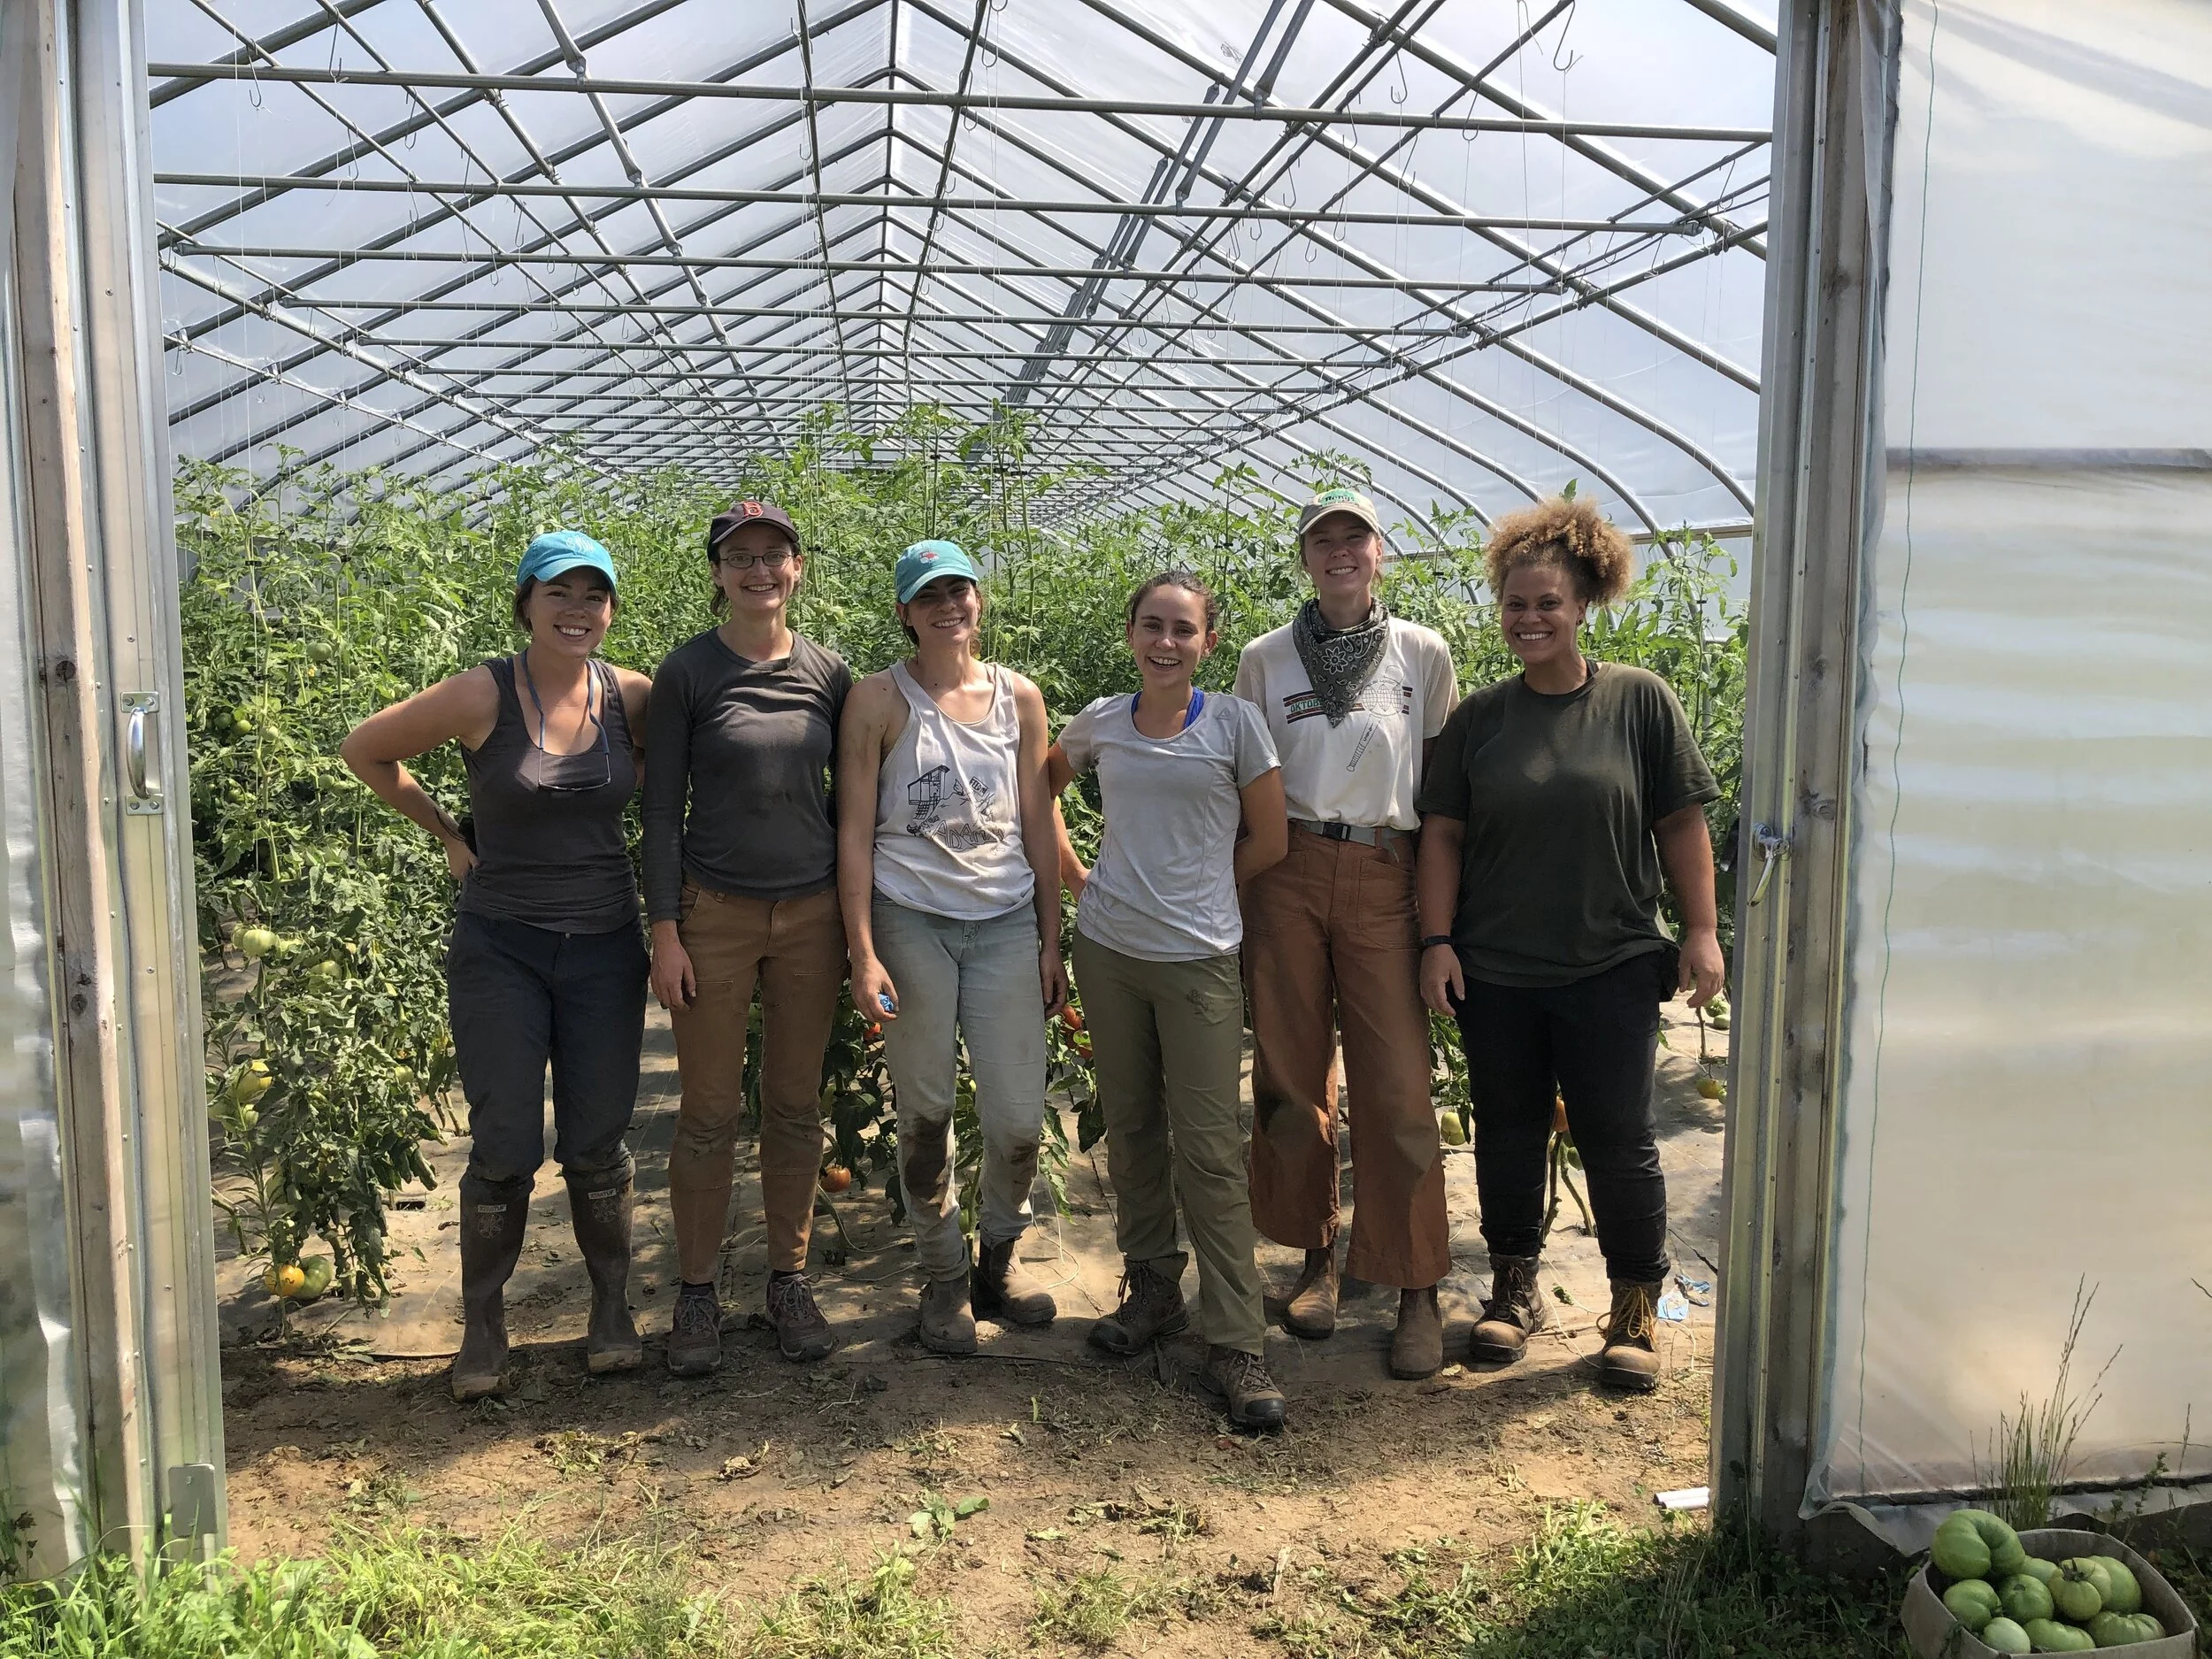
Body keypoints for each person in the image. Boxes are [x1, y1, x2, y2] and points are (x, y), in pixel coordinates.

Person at [1414, 495, 1724, 1394]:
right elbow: (1441, 837)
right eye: (1515, 604)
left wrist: (1699, 931)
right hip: (1497, 966)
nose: (1529, 619)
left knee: (1617, 1136)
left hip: (1611, 962)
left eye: (1546, 603)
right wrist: (1437, 940)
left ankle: (1633, 1309)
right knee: (1507, 1131)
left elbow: (1679, 824)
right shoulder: (1481, 720)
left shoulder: (1637, 702)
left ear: (1584, 602)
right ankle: (1512, 1290)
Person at [339, 531, 652, 1403]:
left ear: (611, 610)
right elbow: (366, 748)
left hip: (604, 947)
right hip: (501, 946)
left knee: (597, 1141)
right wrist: (447, 835)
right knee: (507, 1138)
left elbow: (675, 789)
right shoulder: (483, 693)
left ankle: (612, 1311)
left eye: (594, 595)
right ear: (525, 603)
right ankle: (482, 1325)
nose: (576, 610)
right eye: (558, 593)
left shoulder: (634, 698)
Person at [1049, 572, 1292, 1430]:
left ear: (1207, 643)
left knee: (1210, 1150)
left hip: (1196, 960)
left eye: (1182, 629)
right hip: (1109, 953)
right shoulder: (1103, 719)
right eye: (1151, 625)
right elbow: (1037, 786)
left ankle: (1236, 1342)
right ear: (1130, 634)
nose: (1165, 641)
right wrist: (1079, 878)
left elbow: (1271, 838)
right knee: (1131, 1127)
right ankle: (1152, 1290)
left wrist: (1202, 889)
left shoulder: (1233, 722)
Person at [1233, 487, 1459, 1380]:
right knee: (1292, 1073)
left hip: (1382, 871)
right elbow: (1247, 773)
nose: (1339, 553)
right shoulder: (1263, 659)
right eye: (1321, 540)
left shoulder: (1421, 654)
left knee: (1397, 1087)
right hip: (1286, 869)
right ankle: (1315, 1258)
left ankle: (1414, 1285)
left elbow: (1440, 788)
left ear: (1379, 555)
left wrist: (1444, 917)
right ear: (1303, 559)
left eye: (1354, 538)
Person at [836, 541, 1066, 1355]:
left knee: (1017, 1115)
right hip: (911, 919)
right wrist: (862, 951)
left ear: (980, 602)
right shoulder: (877, 701)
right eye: (928, 594)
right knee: (926, 1111)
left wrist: (1049, 938)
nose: (948, 606)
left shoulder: (1020, 698)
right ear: (905, 611)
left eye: (960, 590)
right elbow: (855, 834)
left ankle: (996, 1259)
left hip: (1004, 919)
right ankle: (941, 1277)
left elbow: (1039, 823)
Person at [642, 499, 852, 1373]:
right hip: (714, 915)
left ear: (798, 569)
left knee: (796, 1106)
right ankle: (696, 1292)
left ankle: (787, 1278)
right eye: (740, 558)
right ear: (717, 573)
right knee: (708, 1111)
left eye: (774, 555)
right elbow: (659, 812)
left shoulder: (831, 674)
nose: (758, 570)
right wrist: (665, 931)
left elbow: (853, 804)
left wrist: (859, 919)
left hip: (811, 915)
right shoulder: (687, 673)